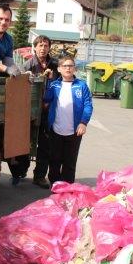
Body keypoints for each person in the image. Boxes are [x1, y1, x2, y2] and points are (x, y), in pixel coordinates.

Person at [18, 35, 60, 188]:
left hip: (49, 111)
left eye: (46, 45)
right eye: (40, 45)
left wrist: (53, 79)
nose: (43, 48)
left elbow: (65, 82)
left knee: (45, 144)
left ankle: (40, 176)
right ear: (34, 47)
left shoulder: (56, 65)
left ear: (49, 48)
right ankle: (20, 171)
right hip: (30, 110)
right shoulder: (27, 65)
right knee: (25, 142)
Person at [43, 55, 93, 184]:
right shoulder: (54, 85)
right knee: (54, 161)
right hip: (56, 130)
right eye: (65, 66)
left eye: (70, 66)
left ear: (74, 69)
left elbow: (88, 105)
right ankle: (55, 187)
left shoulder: (82, 86)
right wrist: (48, 81)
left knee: (69, 163)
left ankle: (68, 189)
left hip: (74, 131)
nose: (68, 68)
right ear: (59, 69)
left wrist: (83, 122)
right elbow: (46, 99)